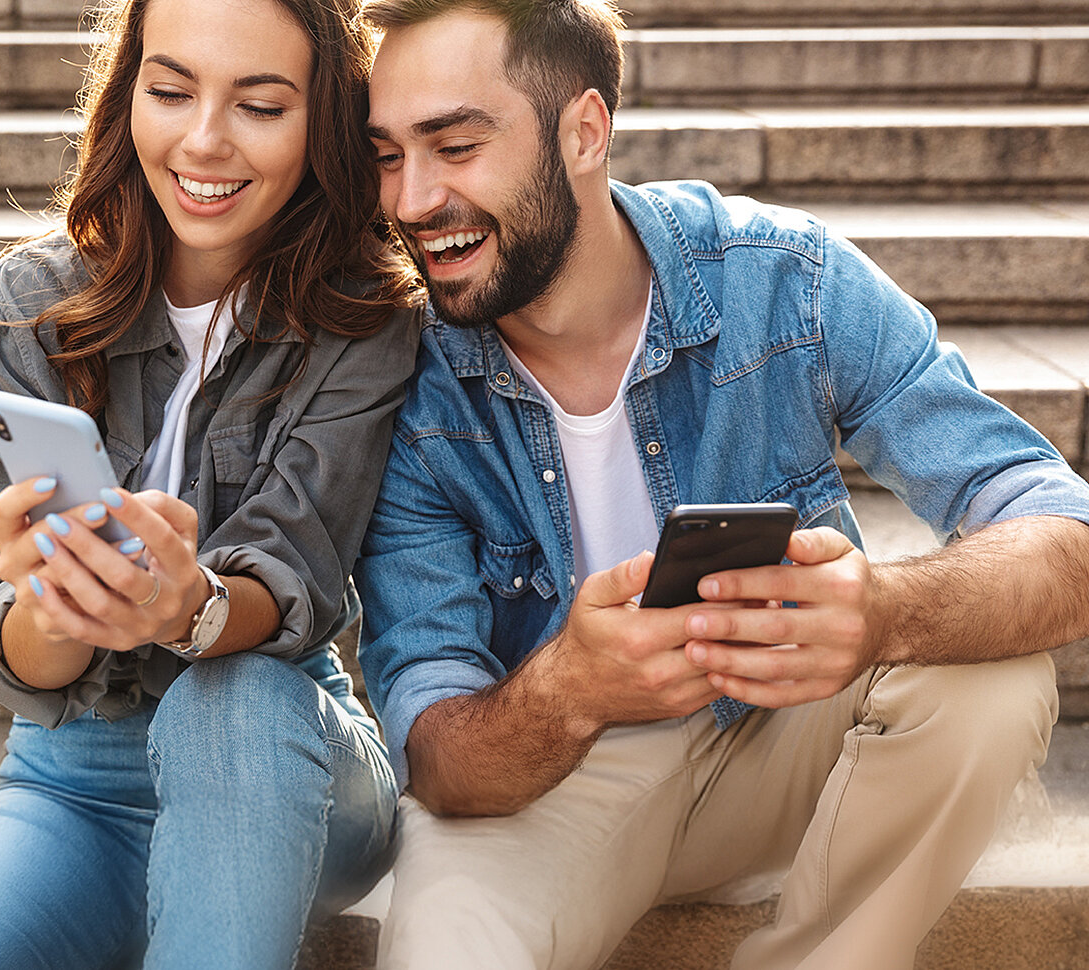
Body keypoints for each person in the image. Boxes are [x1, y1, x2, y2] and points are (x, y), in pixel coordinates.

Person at [350, 2, 1089, 968]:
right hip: (559, 773)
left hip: (789, 731)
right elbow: (439, 756)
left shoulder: (779, 280)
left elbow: (1062, 530)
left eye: (453, 145)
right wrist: (572, 687)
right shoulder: (401, 383)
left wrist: (881, 611)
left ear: (585, 131)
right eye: (389, 155)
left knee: (990, 678)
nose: (409, 200)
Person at [0, 0, 425, 966]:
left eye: (261, 106)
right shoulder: (28, 308)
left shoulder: (365, 322)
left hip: (286, 751)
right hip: (77, 777)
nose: (204, 141)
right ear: (127, 97)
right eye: (170, 90)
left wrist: (183, 606)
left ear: (323, 122)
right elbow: (15, 657)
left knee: (226, 700)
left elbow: (298, 574)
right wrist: (60, 609)